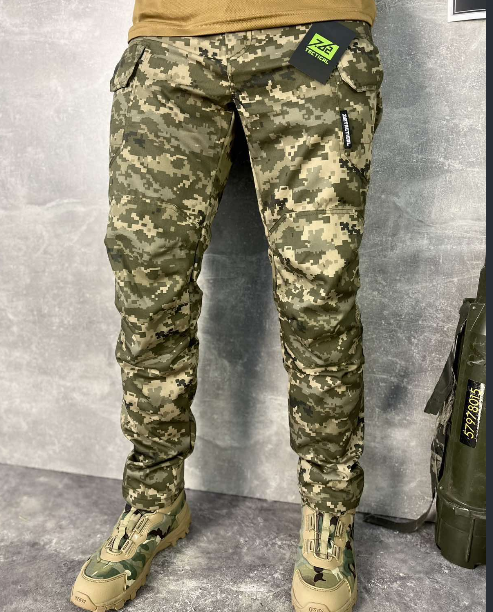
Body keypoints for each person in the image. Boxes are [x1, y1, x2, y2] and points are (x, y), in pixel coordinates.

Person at [71, 1, 383, 610]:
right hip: (171, 42)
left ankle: (329, 514)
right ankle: (155, 503)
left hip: (313, 33)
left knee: (318, 295)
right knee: (148, 290)